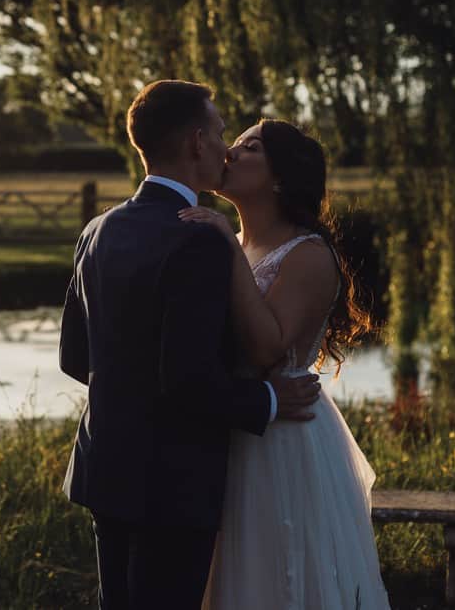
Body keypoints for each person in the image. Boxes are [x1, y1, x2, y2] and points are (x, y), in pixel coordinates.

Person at [59, 80, 322, 609]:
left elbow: (75, 358)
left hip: (104, 467)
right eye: (223, 132)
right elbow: (186, 382)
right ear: (197, 143)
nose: (228, 146)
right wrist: (268, 401)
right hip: (172, 482)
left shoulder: (98, 228)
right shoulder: (199, 238)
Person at [179, 118, 391, 609]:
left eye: (249, 146)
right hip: (231, 425)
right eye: (233, 141)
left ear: (278, 178)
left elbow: (267, 348)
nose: (229, 152)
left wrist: (225, 250)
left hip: (280, 441)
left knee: (280, 573)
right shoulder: (230, 239)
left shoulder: (308, 255)